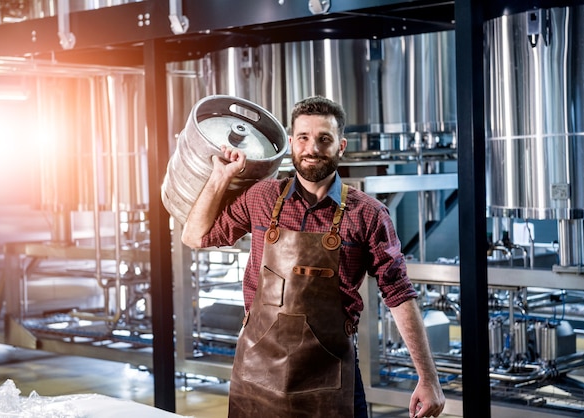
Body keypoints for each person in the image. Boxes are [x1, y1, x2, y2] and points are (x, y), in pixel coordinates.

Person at [181, 96, 445, 418]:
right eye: (304, 138)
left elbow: (399, 295)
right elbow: (194, 236)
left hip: (330, 381)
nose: (312, 148)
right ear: (291, 142)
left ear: (341, 146)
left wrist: (428, 378)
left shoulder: (368, 215)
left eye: (324, 139)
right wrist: (220, 176)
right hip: (256, 377)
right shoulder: (262, 197)